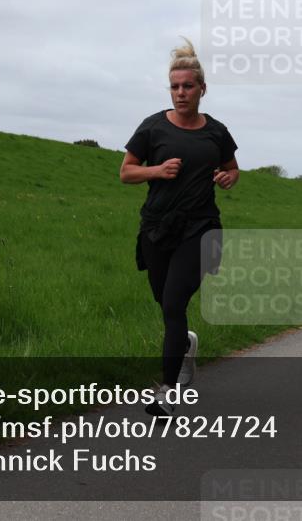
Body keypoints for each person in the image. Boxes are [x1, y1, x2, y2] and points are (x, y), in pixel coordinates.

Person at [120, 38, 239, 417]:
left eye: (188, 86)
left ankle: (166, 392)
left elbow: (232, 167)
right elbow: (126, 172)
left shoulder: (216, 132)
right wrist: (156, 170)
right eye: (175, 86)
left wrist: (228, 178)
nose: (181, 93)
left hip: (201, 229)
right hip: (157, 227)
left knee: (173, 302)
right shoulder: (152, 128)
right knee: (166, 304)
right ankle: (185, 346)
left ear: (202, 89)